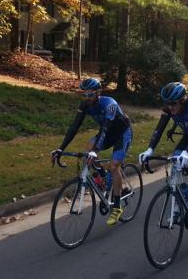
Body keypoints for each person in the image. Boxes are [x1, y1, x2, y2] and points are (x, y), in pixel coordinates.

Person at [51, 78, 132, 226]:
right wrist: (61, 148)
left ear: (98, 92)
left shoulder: (109, 104)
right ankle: (103, 177)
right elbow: (74, 127)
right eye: (85, 95)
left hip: (122, 133)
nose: (87, 98)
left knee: (114, 166)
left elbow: (105, 128)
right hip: (107, 134)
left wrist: (96, 151)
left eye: (90, 95)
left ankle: (117, 206)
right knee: (88, 149)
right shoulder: (85, 105)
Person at [139, 82, 188, 220]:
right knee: (175, 168)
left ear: (182, 100)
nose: (170, 107)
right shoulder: (169, 108)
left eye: (173, 103)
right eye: (168, 103)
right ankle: (180, 203)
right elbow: (159, 130)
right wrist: (150, 149)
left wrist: (187, 152)